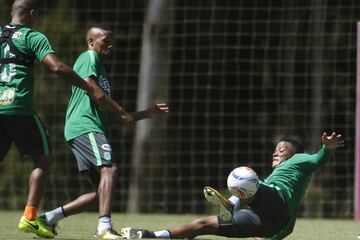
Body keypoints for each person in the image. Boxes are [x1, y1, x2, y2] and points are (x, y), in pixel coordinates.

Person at [38, 26, 169, 239]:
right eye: (105, 41)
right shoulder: (89, 57)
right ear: (91, 42)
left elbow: (114, 119)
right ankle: (104, 228)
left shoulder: (101, 70)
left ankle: (49, 218)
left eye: (111, 42)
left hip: (88, 126)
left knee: (100, 193)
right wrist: (122, 110)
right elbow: (92, 88)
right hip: (84, 125)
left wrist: (146, 113)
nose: (110, 46)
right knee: (110, 170)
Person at [0, 0, 116, 238]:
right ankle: (30, 217)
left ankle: (47, 218)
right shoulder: (33, 37)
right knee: (43, 159)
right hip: (18, 106)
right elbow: (57, 67)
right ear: (32, 14)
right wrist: (87, 87)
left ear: (12, 12)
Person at [120, 132, 344, 240]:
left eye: (281, 149)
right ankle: (152, 236)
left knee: (247, 176)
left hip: (276, 202)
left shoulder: (299, 160)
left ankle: (230, 204)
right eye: (275, 149)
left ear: (294, 153)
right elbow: (286, 227)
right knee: (203, 225)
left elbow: (317, 160)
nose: (276, 152)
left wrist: (328, 148)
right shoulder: (272, 178)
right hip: (267, 221)